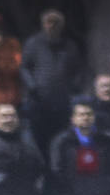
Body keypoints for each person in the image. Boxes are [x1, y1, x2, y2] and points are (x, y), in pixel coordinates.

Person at [20, 8, 85, 152]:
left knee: (60, 138)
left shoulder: (69, 46)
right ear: (43, 24)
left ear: (61, 25)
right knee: (39, 138)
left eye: (55, 23)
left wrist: (74, 86)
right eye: (48, 22)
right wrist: (32, 86)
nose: (52, 26)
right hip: (39, 101)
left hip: (62, 102)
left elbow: (79, 69)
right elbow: (24, 67)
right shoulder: (33, 43)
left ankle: (57, 170)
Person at [48, 99, 110, 195]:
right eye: (81, 115)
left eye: (89, 114)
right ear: (73, 119)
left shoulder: (105, 141)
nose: (85, 118)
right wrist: (63, 194)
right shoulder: (62, 142)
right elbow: (56, 169)